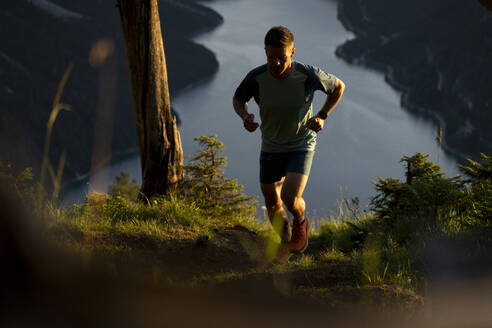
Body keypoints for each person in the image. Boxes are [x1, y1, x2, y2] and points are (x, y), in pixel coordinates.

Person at [232, 26, 345, 263]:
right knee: (272, 204)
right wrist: (245, 117)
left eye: (281, 58)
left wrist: (322, 116)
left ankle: (301, 222)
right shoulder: (256, 77)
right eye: (270, 57)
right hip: (271, 146)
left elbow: (338, 87)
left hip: (300, 143)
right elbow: (238, 99)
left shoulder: (307, 74)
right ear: (265, 53)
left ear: (292, 52)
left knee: (290, 197)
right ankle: (284, 245)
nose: (275, 64)